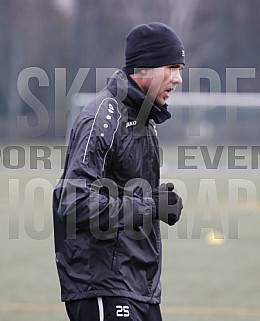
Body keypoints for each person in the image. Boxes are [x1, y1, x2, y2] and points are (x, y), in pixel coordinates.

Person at [53, 22, 185, 321]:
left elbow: (122, 193)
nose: (178, 79)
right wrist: (150, 206)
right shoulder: (103, 117)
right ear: (145, 68)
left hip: (139, 286)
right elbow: (73, 204)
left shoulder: (144, 121)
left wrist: (156, 203)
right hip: (104, 286)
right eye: (173, 67)